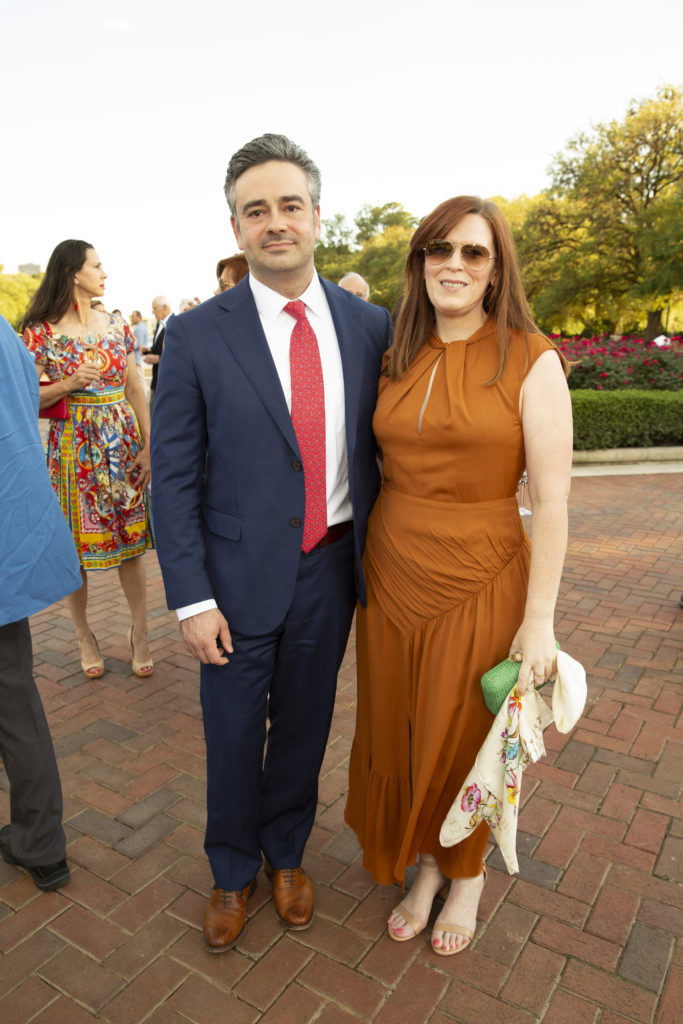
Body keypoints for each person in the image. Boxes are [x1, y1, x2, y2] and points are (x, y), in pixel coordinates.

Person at [151, 133, 392, 953]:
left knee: (304, 726)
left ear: (317, 217)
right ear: (235, 229)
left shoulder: (370, 326)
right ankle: (230, 870)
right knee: (229, 734)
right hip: (230, 580)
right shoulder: (194, 334)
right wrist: (190, 596)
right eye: (257, 210)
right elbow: (172, 478)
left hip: (330, 570)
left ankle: (285, 854)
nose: (275, 222)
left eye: (289, 205)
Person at [345, 196, 573, 956]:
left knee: (463, 737)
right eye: (438, 249)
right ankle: (423, 865)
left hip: (481, 576)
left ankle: (464, 874)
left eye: (473, 253)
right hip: (388, 573)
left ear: (496, 268)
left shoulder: (530, 356)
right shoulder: (392, 354)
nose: (453, 264)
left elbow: (552, 501)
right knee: (402, 728)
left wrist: (538, 618)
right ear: (418, 263)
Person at [20, 240, 155, 680]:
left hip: (122, 440)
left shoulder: (115, 324)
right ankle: (83, 635)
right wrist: (70, 383)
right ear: (74, 273)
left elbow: (135, 386)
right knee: (74, 548)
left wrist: (149, 445)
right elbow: (25, 393)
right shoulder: (39, 332)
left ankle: (141, 632)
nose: (104, 272)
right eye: (97, 265)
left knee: (133, 544)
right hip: (71, 446)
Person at [0, 313, 82, 890]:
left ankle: (40, 841)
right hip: (11, 530)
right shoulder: (5, 331)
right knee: (14, 696)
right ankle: (41, 843)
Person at [143, 296, 171, 414]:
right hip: (156, 379)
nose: (153, 312)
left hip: (167, 381)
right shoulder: (160, 324)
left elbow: (179, 352)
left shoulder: (174, 324)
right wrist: (149, 351)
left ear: (164, 307)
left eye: (154, 308)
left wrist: (160, 358)